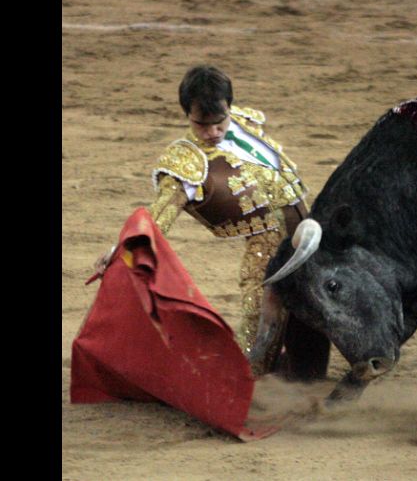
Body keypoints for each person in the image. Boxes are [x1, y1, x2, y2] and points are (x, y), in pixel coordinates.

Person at [93, 65, 313, 375]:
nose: (212, 132)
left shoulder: (247, 122)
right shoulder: (186, 160)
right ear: (187, 115)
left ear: (229, 107)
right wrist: (122, 247)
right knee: (261, 317)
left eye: (219, 121)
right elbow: (159, 215)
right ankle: (249, 379)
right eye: (201, 124)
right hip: (266, 250)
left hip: (310, 232)